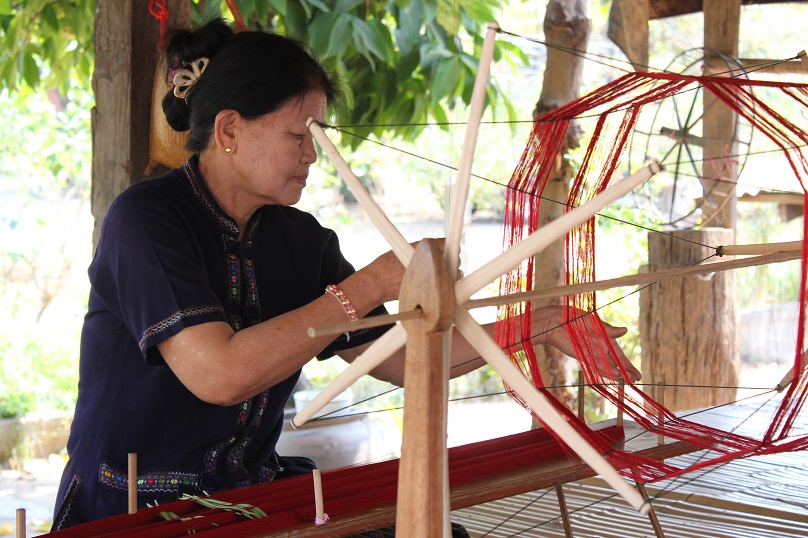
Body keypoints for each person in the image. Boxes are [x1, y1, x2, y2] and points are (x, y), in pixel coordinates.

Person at [52, 17, 640, 532]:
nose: (313, 155)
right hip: (133, 508)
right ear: (229, 131)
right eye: (298, 136)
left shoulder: (299, 238)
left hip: (250, 499)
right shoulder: (147, 220)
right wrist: (371, 285)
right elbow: (220, 374)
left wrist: (535, 325)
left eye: (320, 137)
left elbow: (394, 358)